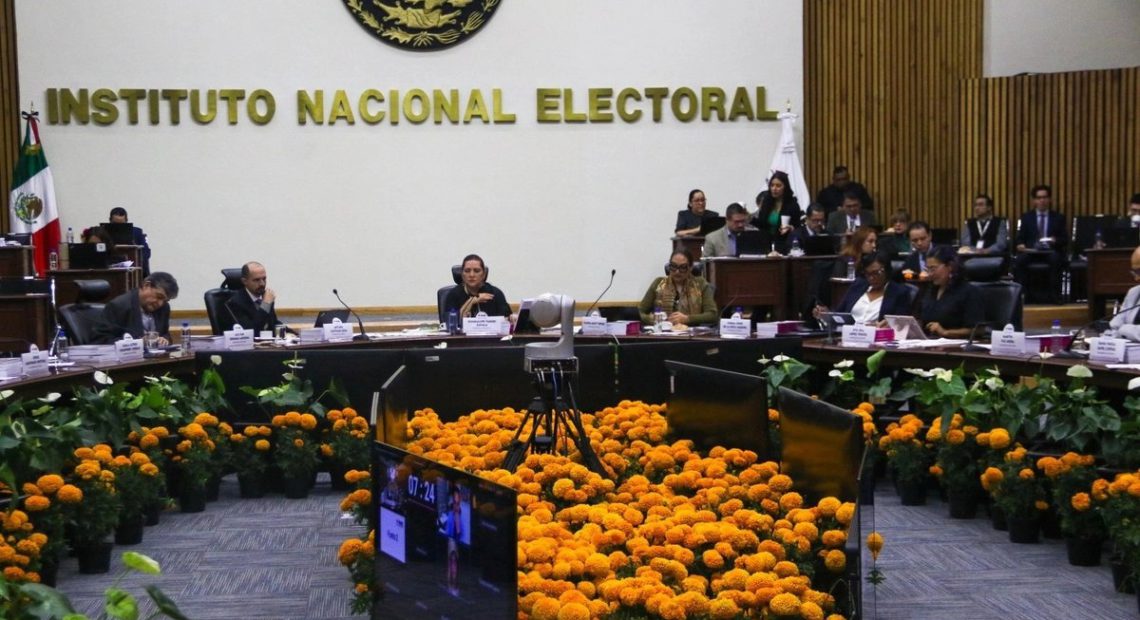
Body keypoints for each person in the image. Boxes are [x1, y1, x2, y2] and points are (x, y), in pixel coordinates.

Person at [814, 252, 912, 324]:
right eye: (868, 274)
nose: (871, 278)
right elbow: (840, 313)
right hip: (848, 336)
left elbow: (901, 325)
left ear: (887, 270)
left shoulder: (899, 292)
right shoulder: (858, 286)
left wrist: (885, 326)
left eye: (876, 273)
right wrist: (826, 314)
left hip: (877, 340)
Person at [1012, 184, 1068, 303]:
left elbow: (1065, 239)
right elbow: (1020, 237)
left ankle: (1055, 296)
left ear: (1049, 199)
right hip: (1032, 251)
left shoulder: (1058, 217)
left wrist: (1055, 241)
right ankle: (1023, 297)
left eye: (1045, 197)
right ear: (1034, 201)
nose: (1042, 200)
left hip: (1050, 250)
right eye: (1039, 198)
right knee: (1019, 261)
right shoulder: (1026, 217)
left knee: (1056, 259)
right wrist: (1020, 244)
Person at [91, 271, 179, 345]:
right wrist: (138, 342)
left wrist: (164, 340)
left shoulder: (164, 308)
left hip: (155, 358)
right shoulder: (120, 306)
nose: (160, 303)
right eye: (159, 296)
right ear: (146, 285)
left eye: (165, 301)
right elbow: (101, 341)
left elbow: (165, 334)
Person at [638, 250, 717, 326]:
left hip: (691, 332)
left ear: (690, 268)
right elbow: (640, 311)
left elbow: (712, 315)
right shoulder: (658, 283)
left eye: (683, 267)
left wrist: (687, 319)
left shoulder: (700, 284)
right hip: (663, 331)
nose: (677, 271)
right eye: (673, 266)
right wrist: (652, 319)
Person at [919, 246, 984, 338]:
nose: (930, 273)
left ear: (950, 266)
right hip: (929, 342)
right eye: (927, 269)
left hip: (957, 344)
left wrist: (946, 332)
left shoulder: (969, 292)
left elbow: (978, 330)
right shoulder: (929, 290)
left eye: (933, 269)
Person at [225, 261, 290, 334]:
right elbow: (251, 332)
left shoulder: (266, 297)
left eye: (264, 279)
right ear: (244, 281)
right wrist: (265, 304)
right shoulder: (235, 303)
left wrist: (293, 334)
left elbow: (273, 323)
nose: (262, 284)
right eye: (257, 280)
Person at [443, 254, 511, 318]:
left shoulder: (495, 293)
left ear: (484, 274)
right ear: (462, 274)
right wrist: (472, 301)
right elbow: (451, 322)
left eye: (476, 271)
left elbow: (506, 319)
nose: (471, 275)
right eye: (467, 271)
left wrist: (512, 318)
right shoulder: (453, 295)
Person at [750, 171, 802, 252]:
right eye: (772, 185)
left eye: (778, 186)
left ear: (785, 187)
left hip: (785, 244)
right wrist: (750, 218)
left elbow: (798, 227)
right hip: (766, 243)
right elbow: (762, 225)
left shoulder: (792, 205)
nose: (774, 188)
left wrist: (791, 228)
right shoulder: (767, 202)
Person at [1106, 246, 1140, 342]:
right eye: (1135, 272)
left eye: (1139, 271)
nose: (1136, 278)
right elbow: (1114, 326)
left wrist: (1123, 329)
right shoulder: (1134, 292)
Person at [108, 207, 151, 275]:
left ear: (126, 221)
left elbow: (146, 252)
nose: (119, 227)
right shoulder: (103, 233)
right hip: (110, 269)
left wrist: (136, 263)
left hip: (133, 269)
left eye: (122, 224)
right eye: (115, 224)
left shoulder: (137, 232)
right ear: (110, 220)